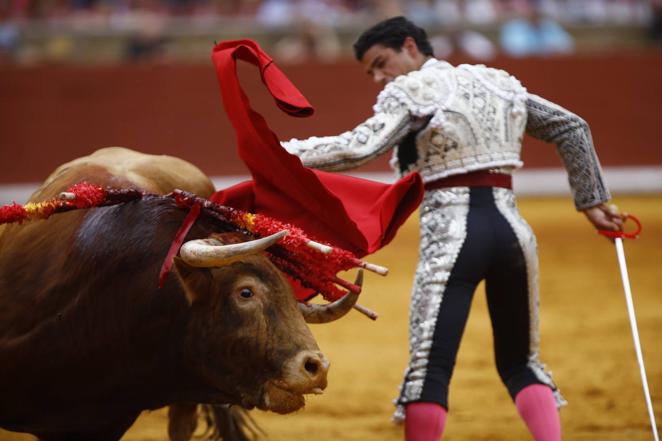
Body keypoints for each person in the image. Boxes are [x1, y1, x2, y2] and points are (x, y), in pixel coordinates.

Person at [281, 16, 623, 441]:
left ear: (410, 47)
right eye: (370, 71)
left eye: (381, 63)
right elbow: (570, 126)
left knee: (429, 369)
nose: (379, 77)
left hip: (454, 238)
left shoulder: (414, 90)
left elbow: (358, 147)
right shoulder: (499, 84)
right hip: (515, 234)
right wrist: (593, 202)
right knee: (522, 363)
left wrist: (282, 153)